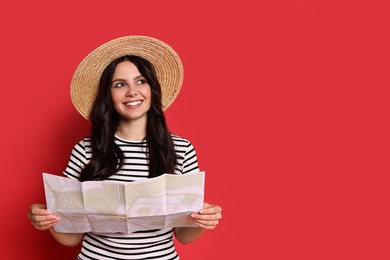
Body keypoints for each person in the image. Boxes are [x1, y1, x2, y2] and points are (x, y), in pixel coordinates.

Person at [28, 36, 222, 259]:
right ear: (109, 95)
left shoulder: (182, 149)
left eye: (141, 81)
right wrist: (48, 219)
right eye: (120, 84)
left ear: (153, 89)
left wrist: (203, 221)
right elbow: (71, 238)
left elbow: (184, 236)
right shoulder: (84, 150)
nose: (132, 92)